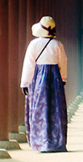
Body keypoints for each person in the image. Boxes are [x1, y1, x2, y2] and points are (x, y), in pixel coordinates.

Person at [21, 15, 69, 153]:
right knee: (55, 109)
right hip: (54, 77)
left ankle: (39, 142)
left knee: (39, 108)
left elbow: (29, 64)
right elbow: (63, 63)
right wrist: (63, 79)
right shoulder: (58, 44)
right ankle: (55, 142)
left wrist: (25, 82)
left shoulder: (33, 44)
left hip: (38, 77)